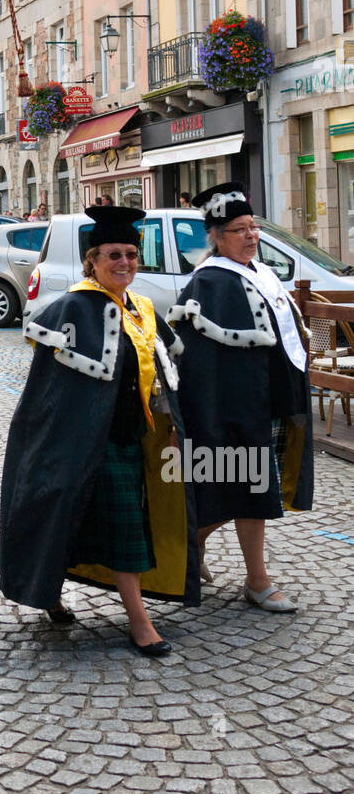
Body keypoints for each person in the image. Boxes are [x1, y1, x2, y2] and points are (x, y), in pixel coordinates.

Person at [0, 204, 198, 657]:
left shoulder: (144, 310)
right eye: (113, 255)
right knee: (79, 515)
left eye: (130, 254)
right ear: (92, 261)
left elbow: (163, 376)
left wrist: (171, 428)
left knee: (117, 522)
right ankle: (136, 622)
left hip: (131, 440)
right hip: (78, 440)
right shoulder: (70, 309)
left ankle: (108, 609)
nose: (124, 263)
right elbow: (47, 395)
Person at [168, 182, 313, 611]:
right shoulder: (209, 283)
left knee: (246, 487)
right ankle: (257, 581)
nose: (250, 236)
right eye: (238, 230)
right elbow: (197, 362)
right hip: (235, 409)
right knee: (247, 487)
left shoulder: (260, 272)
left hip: (272, 400)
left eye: (253, 227)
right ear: (215, 237)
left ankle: (192, 547)